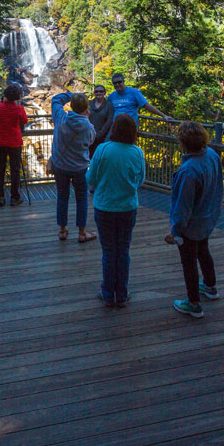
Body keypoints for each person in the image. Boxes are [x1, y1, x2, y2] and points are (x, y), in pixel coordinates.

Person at [165, 122, 224, 318]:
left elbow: (183, 206)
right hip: (208, 217)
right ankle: (210, 285)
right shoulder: (212, 156)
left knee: (189, 262)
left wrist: (175, 230)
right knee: (204, 251)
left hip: (191, 225)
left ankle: (193, 303)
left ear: (183, 143)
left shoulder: (189, 170)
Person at [87, 114, 146, 307]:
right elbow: (140, 180)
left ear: (114, 129)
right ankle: (121, 293)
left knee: (109, 251)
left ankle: (107, 292)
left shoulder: (103, 149)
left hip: (104, 206)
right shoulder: (137, 152)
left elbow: (91, 178)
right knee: (123, 250)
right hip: (128, 207)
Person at [51, 91, 97, 242]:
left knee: (62, 197)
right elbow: (90, 142)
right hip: (79, 167)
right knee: (81, 198)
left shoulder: (61, 117)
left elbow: (56, 99)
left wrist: (70, 95)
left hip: (60, 166)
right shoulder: (88, 127)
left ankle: (62, 230)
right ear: (86, 107)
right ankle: (82, 233)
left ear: (71, 105)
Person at [0, 84, 28, 207]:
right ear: (17, 97)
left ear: (5, 95)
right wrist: (19, 105)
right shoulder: (19, 109)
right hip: (14, 142)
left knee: (0, 169)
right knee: (15, 170)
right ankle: (15, 197)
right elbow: (24, 121)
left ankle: (0, 197)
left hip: (0, 142)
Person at [106, 73, 173, 133]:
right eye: (115, 83)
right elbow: (107, 111)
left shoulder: (134, 93)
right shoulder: (111, 96)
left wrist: (163, 115)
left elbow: (146, 105)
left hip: (130, 128)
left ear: (123, 81)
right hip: (115, 128)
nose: (117, 84)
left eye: (119, 82)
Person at [88, 84, 114, 157]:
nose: (98, 93)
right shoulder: (88, 103)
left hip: (102, 137)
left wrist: (100, 134)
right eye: (96, 91)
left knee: (99, 157)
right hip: (88, 136)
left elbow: (109, 120)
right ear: (94, 93)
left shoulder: (109, 105)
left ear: (104, 93)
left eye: (101, 91)